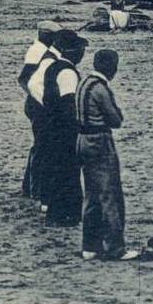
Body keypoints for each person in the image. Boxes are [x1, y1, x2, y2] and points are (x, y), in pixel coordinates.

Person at [76, 49, 138, 261]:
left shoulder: (83, 83)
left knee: (92, 195)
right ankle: (115, 247)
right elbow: (116, 119)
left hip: (82, 140)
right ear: (111, 67)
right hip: (99, 141)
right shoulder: (101, 89)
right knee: (110, 194)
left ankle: (90, 246)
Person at [37, 29, 88, 226]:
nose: (83, 53)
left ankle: (55, 211)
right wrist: (77, 127)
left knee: (58, 169)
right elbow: (68, 104)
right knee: (68, 170)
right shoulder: (67, 73)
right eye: (81, 49)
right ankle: (66, 214)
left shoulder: (53, 67)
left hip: (50, 124)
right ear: (73, 51)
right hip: (63, 129)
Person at [19, 20, 61, 204]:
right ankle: (34, 188)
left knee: (40, 145)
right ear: (46, 35)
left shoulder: (39, 50)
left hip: (36, 102)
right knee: (41, 146)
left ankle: (30, 187)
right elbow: (24, 79)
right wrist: (40, 98)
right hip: (37, 104)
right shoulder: (37, 52)